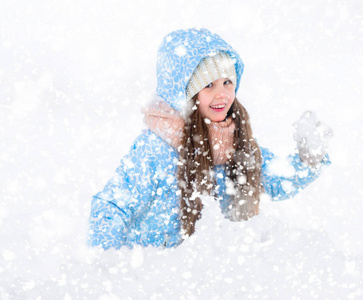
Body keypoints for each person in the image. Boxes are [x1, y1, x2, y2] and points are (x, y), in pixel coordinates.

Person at [88, 28, 332, 250]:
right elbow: (111, 207)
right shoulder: (155, 149)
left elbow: (276, 181)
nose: (222, 94)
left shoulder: (236, 142)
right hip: (153, 276)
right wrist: (107, 266)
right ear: (184, 95)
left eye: (227, 82)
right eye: (208, 85)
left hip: (206, 276)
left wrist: (307, 159)